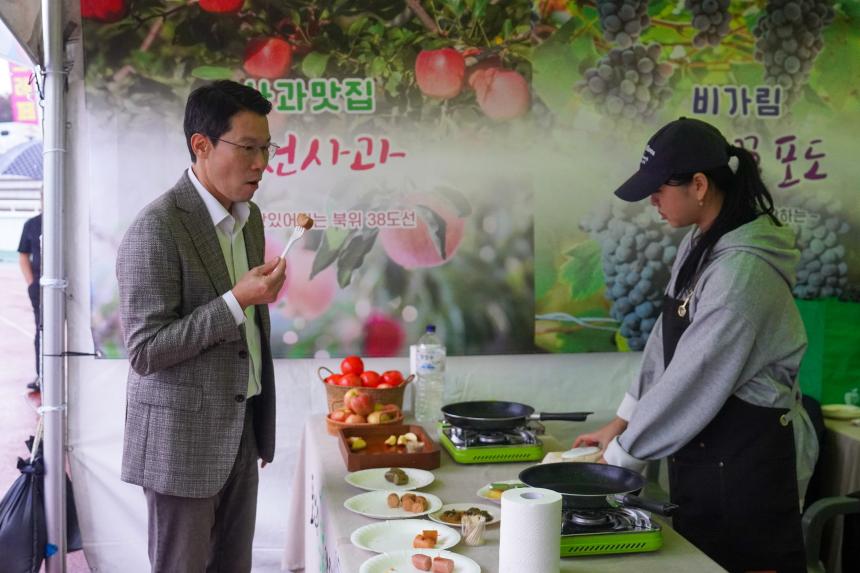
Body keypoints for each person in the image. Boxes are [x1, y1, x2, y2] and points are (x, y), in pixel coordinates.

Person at [574, 117, 818, 572]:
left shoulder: (741, 274)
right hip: (705, 456)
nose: (652, 201)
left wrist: (623, 457)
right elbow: (664, 345)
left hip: (747, 469)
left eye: (659, 189)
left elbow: (692, 377)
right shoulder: (700, 243)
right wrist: (623, 421)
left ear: (699, 185)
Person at [116, 80, 286, 572]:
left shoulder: (249, 219)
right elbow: (145, 350)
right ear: (201, 145)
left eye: (266, 149)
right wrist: (236, 301)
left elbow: (245, 331)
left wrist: (254, 299)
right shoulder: (158, 227)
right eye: (248, 148)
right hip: (180, 444)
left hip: (240, 428)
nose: (261, 164)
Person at [18, 212, 42, 392]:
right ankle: (42, 375)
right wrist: (31, 282)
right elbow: (23, 255)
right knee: (42, 330)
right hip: (39, 288)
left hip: (74, 286)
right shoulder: (32, 224)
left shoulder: (69, 221)